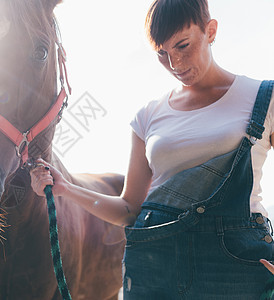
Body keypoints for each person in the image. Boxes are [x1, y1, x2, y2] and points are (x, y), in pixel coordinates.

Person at [30, 0, 274, 298]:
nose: (175, 64)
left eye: (183, 45)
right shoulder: (148, 117)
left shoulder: (264, 98)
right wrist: (65, 189)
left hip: (237, 268)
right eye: (162, 53)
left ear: (210, 31)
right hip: (154, 268)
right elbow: (130, 209)